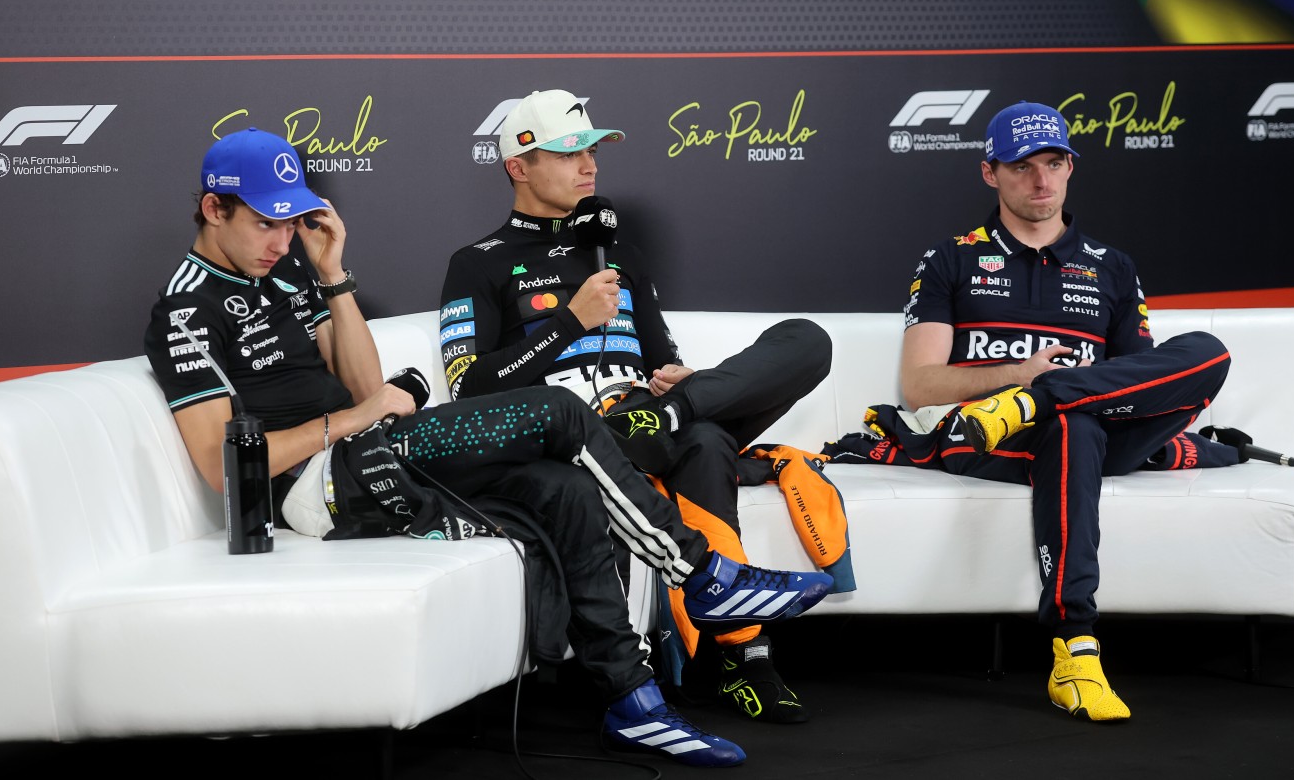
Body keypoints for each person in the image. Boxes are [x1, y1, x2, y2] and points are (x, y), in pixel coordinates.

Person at [143, 127, 833, 768]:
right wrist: (358, 419)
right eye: (266, 222)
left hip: (375, 451)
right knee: (560, 411)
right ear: (213, 208)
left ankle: (632, 701)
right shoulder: (183, 311)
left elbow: (360, 383)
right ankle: (702, 575)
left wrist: (331, 273)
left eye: (292, 220)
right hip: (315, 488)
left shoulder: (292, 272)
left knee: (564, 489)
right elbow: (223, 468)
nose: (282, 238)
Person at [438, 89, 842, 725]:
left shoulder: (620, 253)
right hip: (580, 436)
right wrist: (570, 321)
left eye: (592, 149)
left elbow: (660, 357)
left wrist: (672, 383)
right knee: (706, 445)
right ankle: (747, 657)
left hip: (651, 415)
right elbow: (470, 391)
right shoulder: (477, 264)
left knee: (806, 341)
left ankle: (678, 416)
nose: (589, 163)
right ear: (518, 165)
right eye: (568, 151)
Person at [841, 100, 1241, 722]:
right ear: (989, 173)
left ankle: (1040, 402)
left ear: (1071, 168)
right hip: (987, 440)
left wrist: (1041, 392)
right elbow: (919, 389)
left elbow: (1149, 382)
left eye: (1055, 163)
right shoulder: (952, 258)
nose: (1041, 180)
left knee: (1206, 355)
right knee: (1073, 425)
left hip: (1096, 432)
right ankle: (1075, 648)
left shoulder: (1112, 266)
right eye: (1022, 166)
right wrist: (1016, 376)